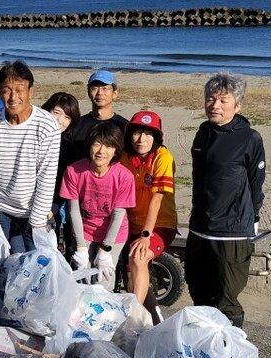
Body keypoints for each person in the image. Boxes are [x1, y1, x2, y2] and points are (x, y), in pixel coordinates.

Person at [186, 73, 266, 328]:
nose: (215, 105)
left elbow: (256, 183)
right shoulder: (203, 133)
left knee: (226, 299)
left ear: (237, 106)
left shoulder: (249, 138)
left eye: (223, 100)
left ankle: (229, 354)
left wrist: (252, 218)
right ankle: (203, 349)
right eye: (210, 99)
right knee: (199, 293)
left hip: (230, 232)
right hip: (200, 228)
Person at [0, 60, 61, 254]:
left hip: (33, 209)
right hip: (0, 207)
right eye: (6, 90)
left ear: (30, 92)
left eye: (19, 90)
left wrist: (37, 220)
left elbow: (46, 176)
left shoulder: (47, 125)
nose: (13, 97)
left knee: (34, 264)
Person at [60, 123, 135, 288]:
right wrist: (80, 246)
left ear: (116, 150)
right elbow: (73, 211)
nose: (101, 151)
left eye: (108, 146)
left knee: (103, 280)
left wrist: (105, 249)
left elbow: (118, 215)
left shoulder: (124, 177)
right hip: (85, 229)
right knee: (82, 279)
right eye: (97, 144)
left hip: (113, 233)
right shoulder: (74, 171)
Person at [120, 110, 178, 324]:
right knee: (130, 275)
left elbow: (157, 199)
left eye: (148, 134)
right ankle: (153, 318)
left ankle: (131, 316)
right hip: (132, 224)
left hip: (159, 226)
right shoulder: (125, 157)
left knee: (138, 257)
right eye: (136, 133)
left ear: (156, 137)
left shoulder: (163, 157)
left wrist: (145, 235)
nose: (141, 139)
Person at [41, 92, 83, 256]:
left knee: (45, 258)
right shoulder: (30, 137)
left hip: (49, 211)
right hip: (17, 208)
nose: (60, 120)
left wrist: (52, 209)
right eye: (56, 113)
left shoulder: (70, 150)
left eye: (67, 117)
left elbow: (64, 186)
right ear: (47, 110)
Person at [72, 69, 129, 149]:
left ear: (115, 94)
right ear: (88, 93)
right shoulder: (76, 125)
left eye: (105, 88)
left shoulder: (124, 126)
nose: (100, 93)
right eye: (94, 88)